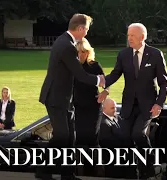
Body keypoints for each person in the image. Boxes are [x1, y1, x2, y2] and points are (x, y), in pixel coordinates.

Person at [37, 13, 105, 180]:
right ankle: (42, 170)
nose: (87, 33)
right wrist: (100, 79)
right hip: (56, 98)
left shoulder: (63, 41)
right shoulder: (67, 46)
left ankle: (67, 174)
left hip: (65, 98)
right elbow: (80, 74)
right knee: (62, 136)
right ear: (80, 28)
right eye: (86, 30)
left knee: (70, 137)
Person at [100, 23, 167, 179]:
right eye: (128, 35)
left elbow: (164, 83)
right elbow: (115, 74)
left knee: (138, 134)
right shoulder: (123, 54)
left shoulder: (155, 54)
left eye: (132, 35)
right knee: (125, 137)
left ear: (142, 37)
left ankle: (151, 164)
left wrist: (159, 103)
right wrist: (100, 82)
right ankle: (134, 172)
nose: (129, 38)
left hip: (148, 106)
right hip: (129, 105)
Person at [72, 38, 108, 176]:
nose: (80, 55)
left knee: (92, 138)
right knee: (80, 139)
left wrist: (105, 92)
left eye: (83, 52)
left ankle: (98, 172)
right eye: (78, 52)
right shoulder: (73, 67)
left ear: (88, 52)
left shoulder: (94, 66)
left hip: (93, 107)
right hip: (77, 107)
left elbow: (106, 82)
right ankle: (79, 171)